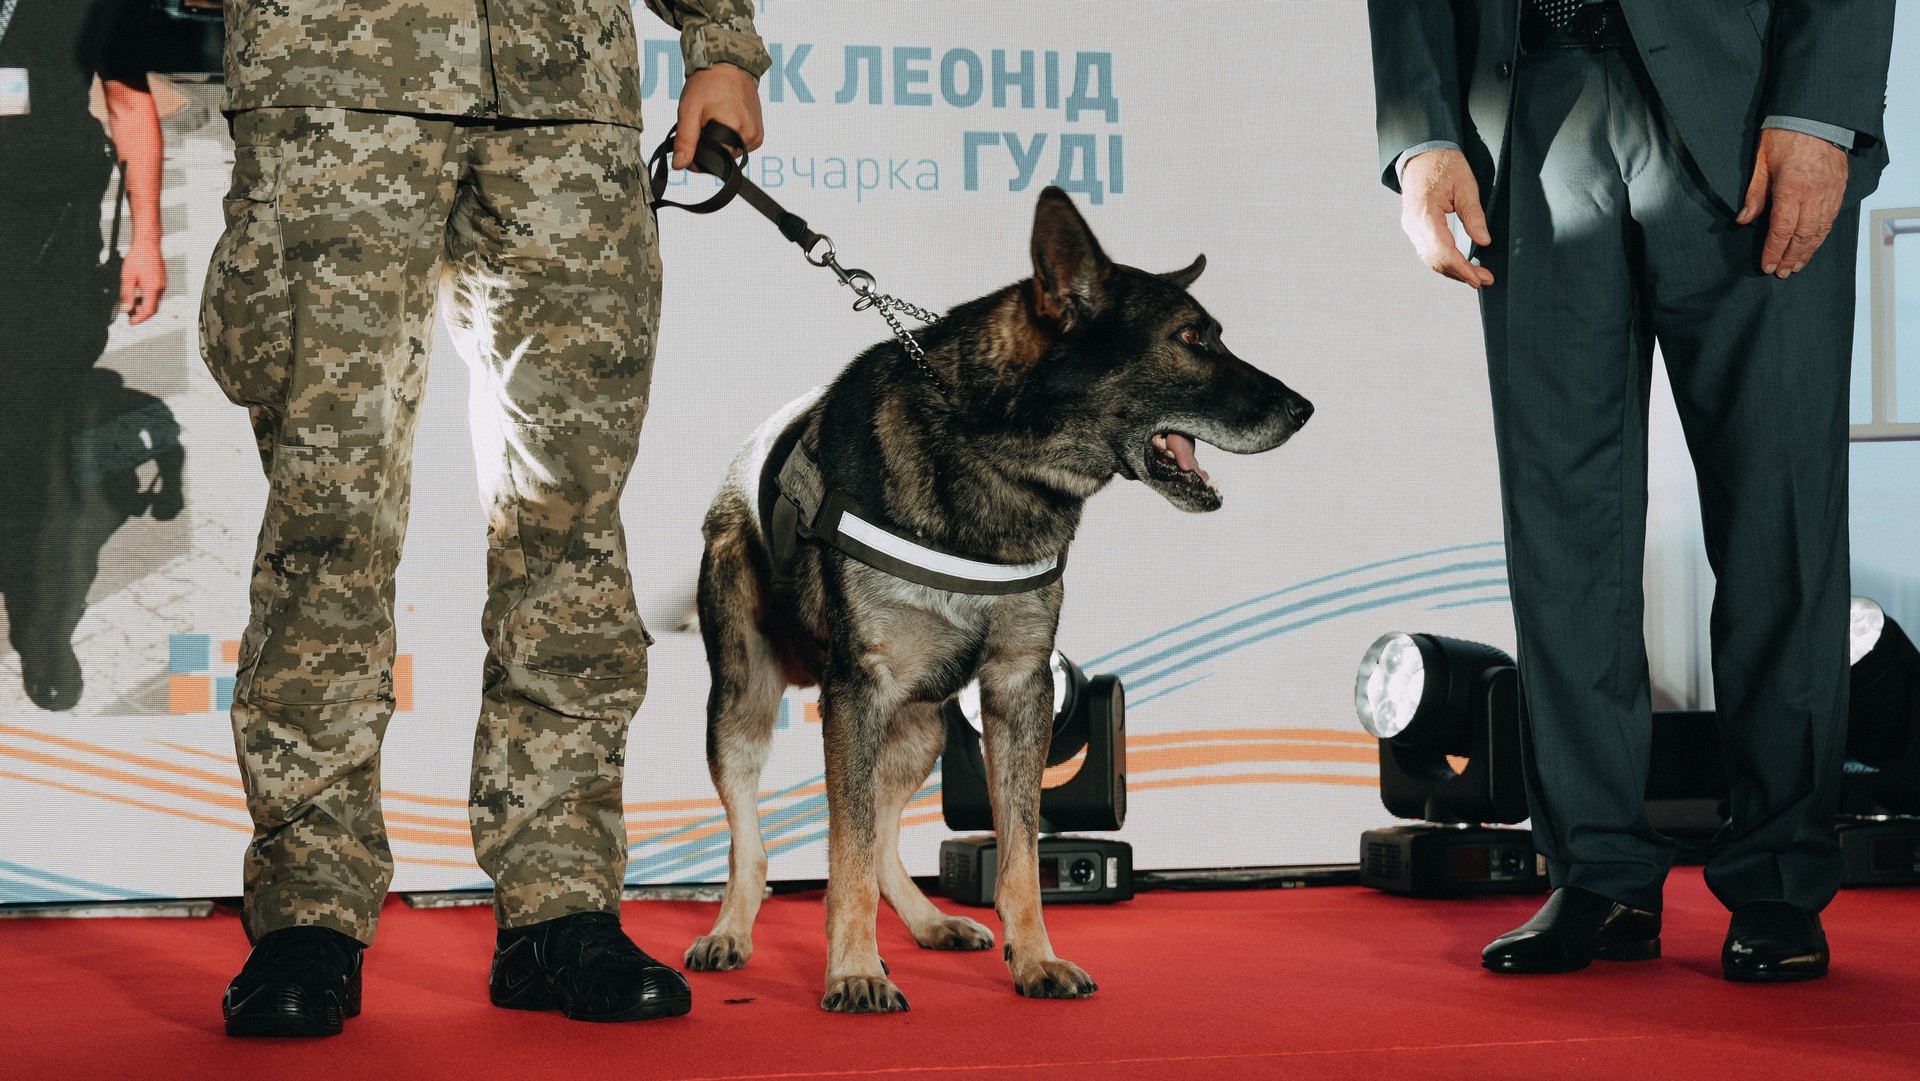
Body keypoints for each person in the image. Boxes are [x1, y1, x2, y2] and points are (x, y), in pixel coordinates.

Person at [202, 1, 768, 1036]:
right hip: (334, 82)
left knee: (568, 520)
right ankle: (308, 912)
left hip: (561, 96)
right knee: (331, 521)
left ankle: (559, 904)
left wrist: (721, 41)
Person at [1367, 0, 1895, 981]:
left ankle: (1779, 875)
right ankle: (1598, 871)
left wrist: (1822, 111)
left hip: (1751, 110)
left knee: (1777, 520)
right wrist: (1423, 132)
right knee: (1560, 528)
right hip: (1526, 104)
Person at [0, 0, 168, 712]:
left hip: (47, 246)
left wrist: (148, 241)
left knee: (34, 443)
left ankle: (40, 626)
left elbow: (129, 104)